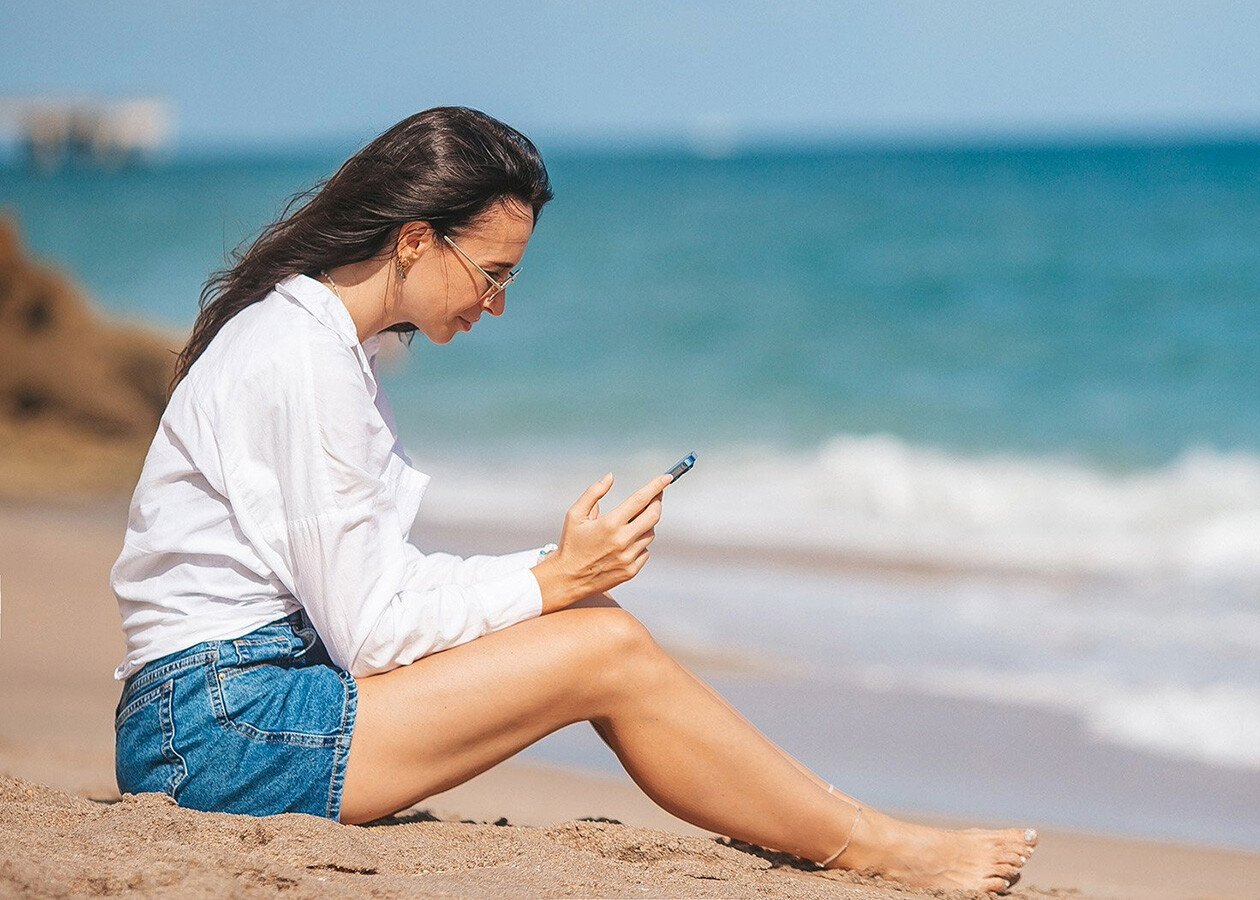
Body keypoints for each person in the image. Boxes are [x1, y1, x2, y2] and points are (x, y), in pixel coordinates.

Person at [109, 106, 1036, 893]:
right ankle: (878, 847)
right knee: (604, 648)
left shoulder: (321, 344)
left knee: (595, 624)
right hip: (221, 730)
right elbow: (372, 630)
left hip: (242, 703)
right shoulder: (302, 360)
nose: (498, 304)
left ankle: (849, 825)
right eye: (495, 272)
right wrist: (551, 583)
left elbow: (370, 594)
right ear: (415, 240)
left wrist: (555, 574)